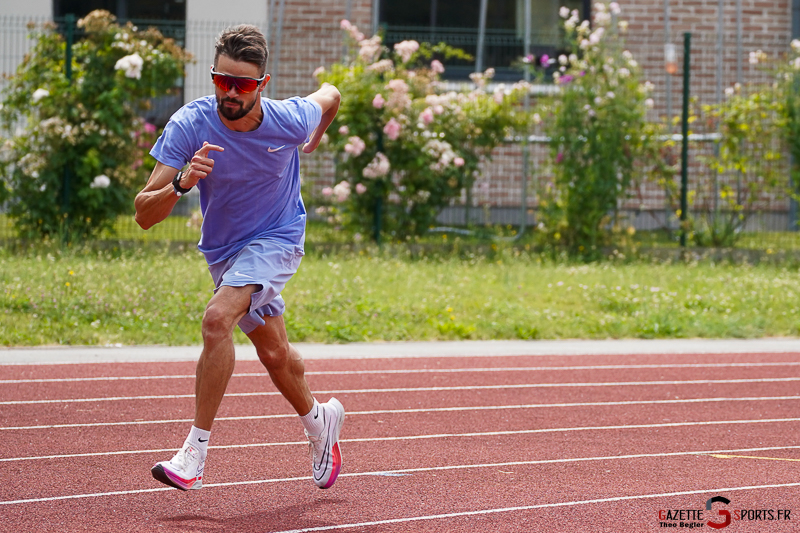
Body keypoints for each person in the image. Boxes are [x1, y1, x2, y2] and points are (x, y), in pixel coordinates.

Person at [134, 24, 343, 491]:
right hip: (225, 251)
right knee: (274, 353)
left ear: (262, 84)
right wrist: (182, 183)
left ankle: (194, 454)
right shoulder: (191, 124)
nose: (229, 92)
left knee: (217, 319)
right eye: (221, 80)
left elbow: (330, 94)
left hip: (278, 238)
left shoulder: (290, 120)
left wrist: (315, 138)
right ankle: (320, 421)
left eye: (241, 84)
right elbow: (144, 214)